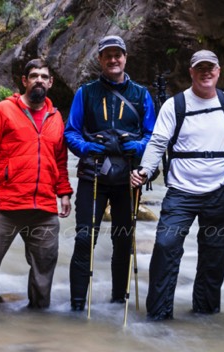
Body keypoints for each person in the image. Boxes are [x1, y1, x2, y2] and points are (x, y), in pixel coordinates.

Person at [131, 49, 224, 320]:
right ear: (191, 72)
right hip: (181, 193)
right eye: (200, 68)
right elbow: (159, 142)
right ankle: (159, 315)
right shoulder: (175, 105)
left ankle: (205, 315)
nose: (206, 72)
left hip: (219, 191)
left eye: (211, 68)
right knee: (165, 246)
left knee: (214, 254)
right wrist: (145, 170)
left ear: (219, 72)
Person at [0, 59, 73, 312]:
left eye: (44, 76)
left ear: (51, 83)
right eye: (34, 76)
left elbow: (60, 160)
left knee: (45, 267)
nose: (39, 80)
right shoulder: (2, 111)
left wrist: (63, 192)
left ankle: (37, 322)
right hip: (4, 205)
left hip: (43, 207)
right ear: (24, 81)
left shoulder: (55, 118)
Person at [64, 35, 156, 311]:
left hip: (128, 177)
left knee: (123, 237)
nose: (113, 59)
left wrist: (138, 147)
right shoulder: (86, 92)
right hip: (93, 175)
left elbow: (153, 135)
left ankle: (118, 299)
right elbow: (70, 132)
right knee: (84, 237)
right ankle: (78, 304)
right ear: (100, 60)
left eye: (118, 55)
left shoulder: (141, 95)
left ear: (125, 58)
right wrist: (88, 147)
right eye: (108, 55)